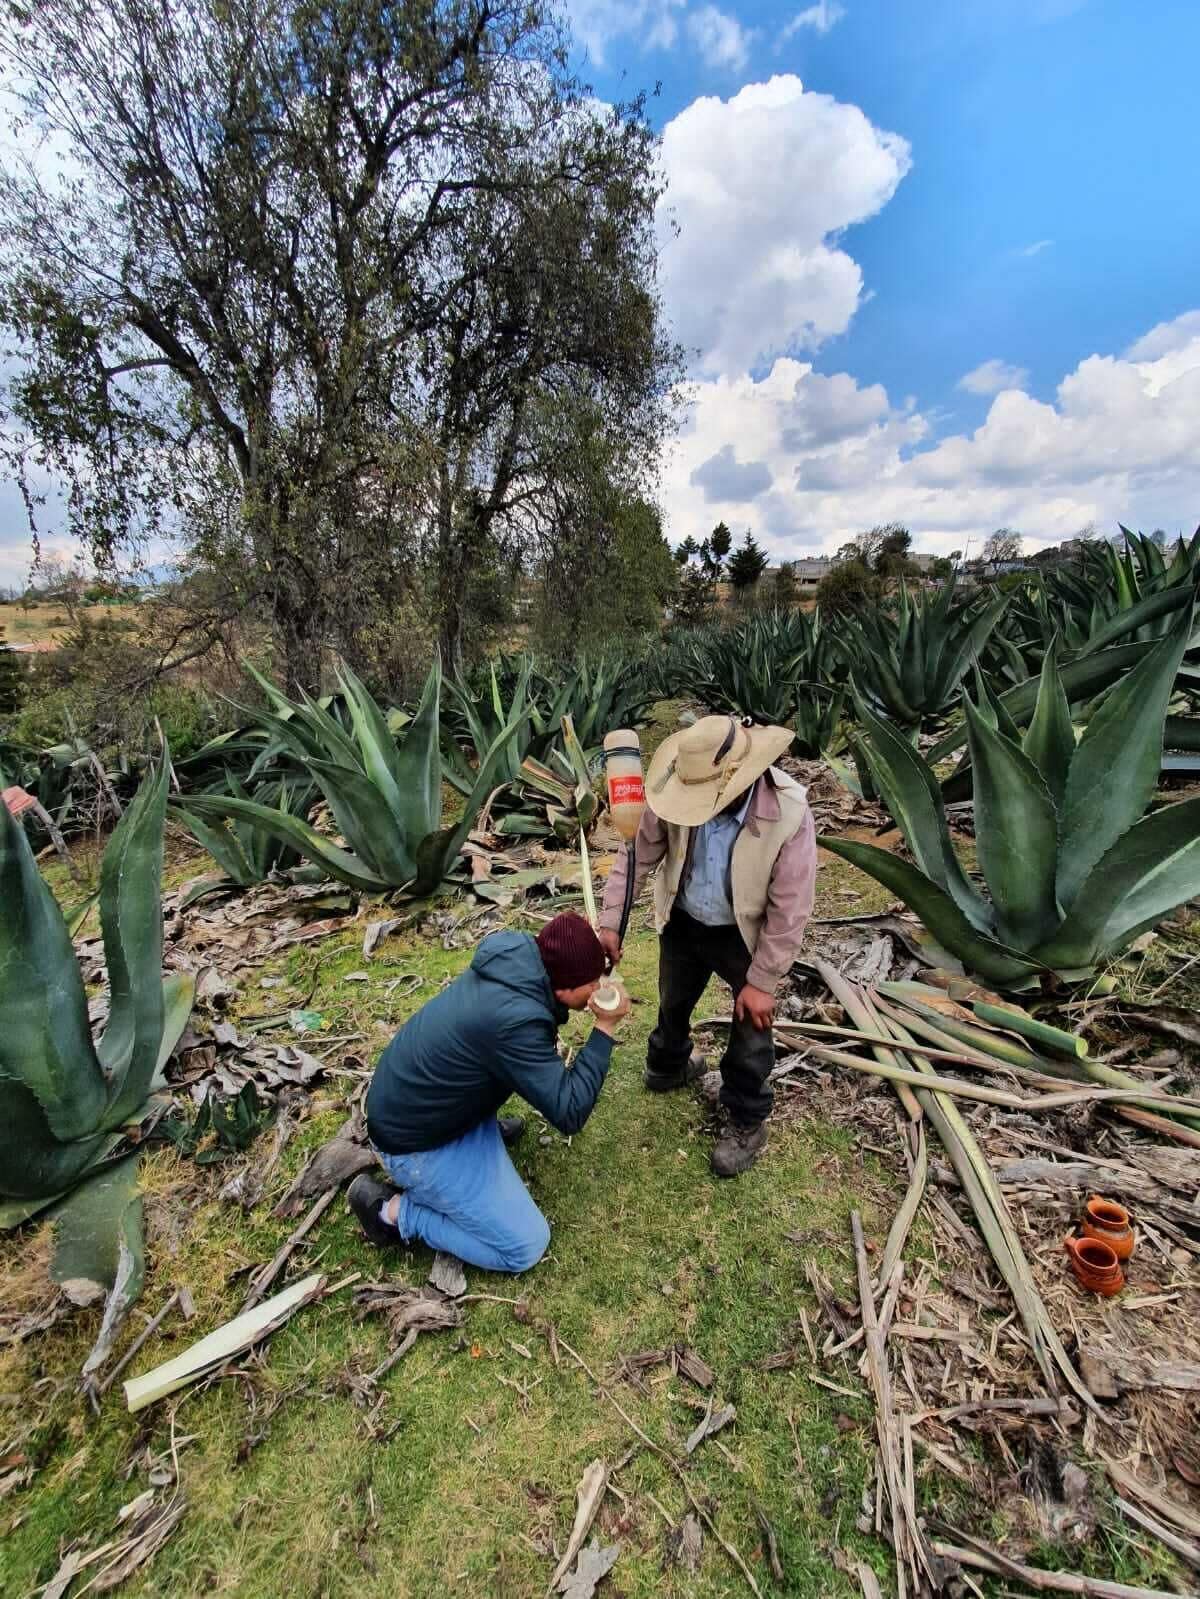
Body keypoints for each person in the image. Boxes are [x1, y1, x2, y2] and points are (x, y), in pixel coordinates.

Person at [347, 911, 629, 1273]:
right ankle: (393, 1213)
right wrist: (604, 1028)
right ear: (563, 988)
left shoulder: (519, 960)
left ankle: (477, 1134)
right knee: (525, 1245)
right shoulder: (514, 1022)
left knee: (484, 1067)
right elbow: (570, 1111)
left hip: (422, 1107)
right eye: (592, 982)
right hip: (415, 1146)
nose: (598, 989)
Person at [598, 713, 816, 1177]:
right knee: (673, 999)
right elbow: (635, 854)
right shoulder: (674, 787)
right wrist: (610, 924)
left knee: (751, 1027)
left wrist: (762, 981)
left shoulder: (790, 813)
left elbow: (789, 909)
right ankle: (668, 1062)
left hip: (745, 933)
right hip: (684, 915)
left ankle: (746, 1116)